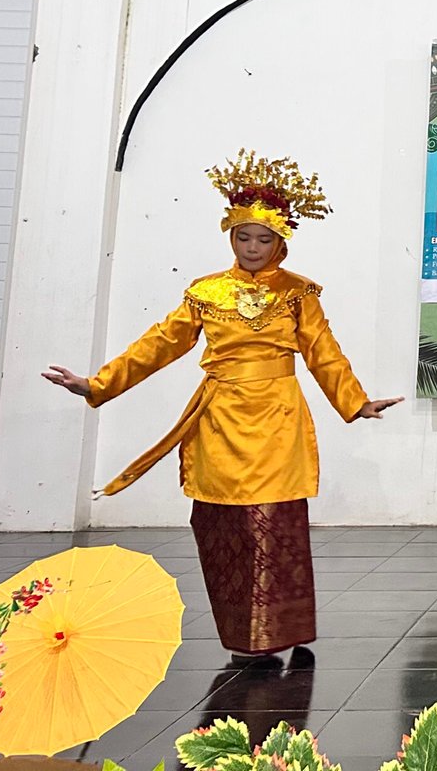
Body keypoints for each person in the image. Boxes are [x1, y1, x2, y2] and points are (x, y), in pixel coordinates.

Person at [43, 150, 403, 665]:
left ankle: (282, 628)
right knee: (222, 529)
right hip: (218, 421)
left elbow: (324, 352)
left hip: (277, 419)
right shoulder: (206, 292)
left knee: (275, 526)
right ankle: (243, 637)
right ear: (230, 237)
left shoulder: (298, 293)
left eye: (264, 239)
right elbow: (159, 343)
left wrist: (356, 401)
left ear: (281, 242)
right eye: (243, 237)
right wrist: (97, 384)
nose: (252, 248)